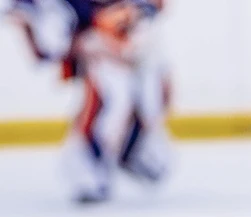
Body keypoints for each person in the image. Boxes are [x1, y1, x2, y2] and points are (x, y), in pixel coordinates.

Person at [7, 0, 171, 203]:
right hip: (93, 44)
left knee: (152, 89)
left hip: (125, 43)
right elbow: (47, 47)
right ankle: (87, 163)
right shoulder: (63, 9)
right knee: (112, 95)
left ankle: (133, 147)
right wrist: (85, 42)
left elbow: (155, 8)